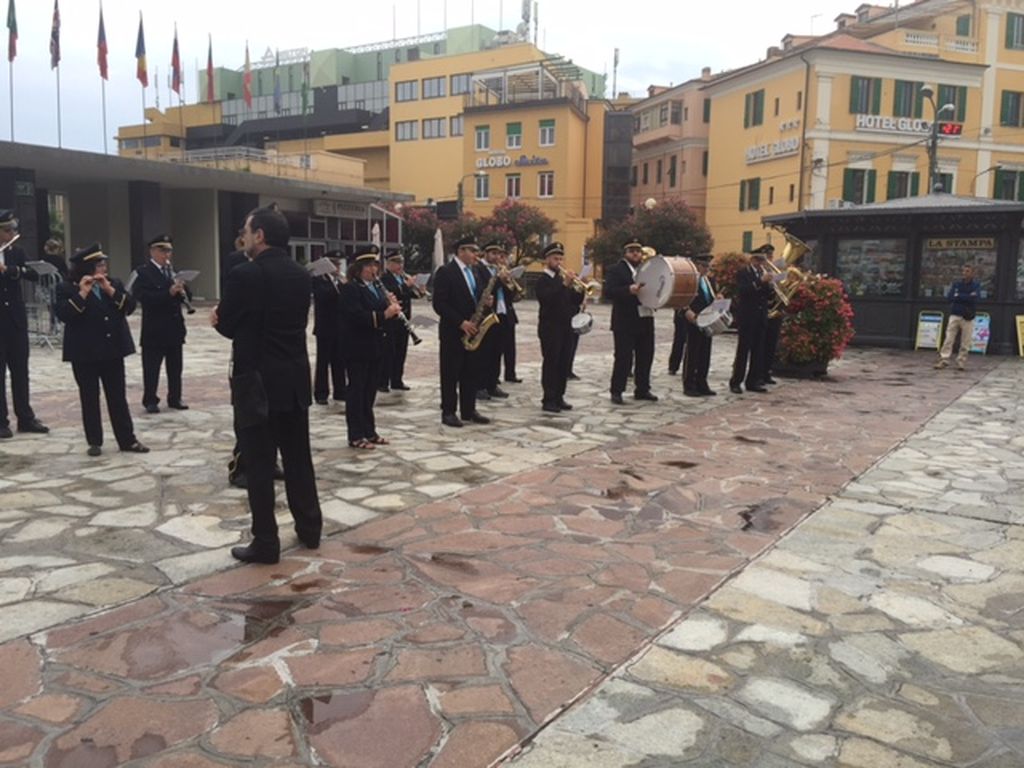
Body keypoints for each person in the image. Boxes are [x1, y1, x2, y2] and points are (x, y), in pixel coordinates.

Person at [213, 206, 322, 565]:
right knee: (298, 458)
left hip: (257, 382)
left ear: (259, 235)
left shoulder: (245, 274)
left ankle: (265, 541)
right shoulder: (301, 274)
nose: (243, 237)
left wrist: (217, 319)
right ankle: (310, 528)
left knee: (259, 464)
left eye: (246, 231)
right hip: (293, 379)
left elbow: (228, 324)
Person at [55, 243, 148, 456]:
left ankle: (127, 439)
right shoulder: (67, 287)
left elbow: (129, 307)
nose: (104, 268)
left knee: (117, 397)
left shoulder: (113, 284)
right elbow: (64, 314)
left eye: (104, 264)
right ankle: (94, 441)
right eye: (99, 265)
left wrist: (110, 290)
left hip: (112, 350)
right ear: (86, 268)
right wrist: (82, 293)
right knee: (89, 397)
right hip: (84, 352)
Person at [340, 247, 400, 449]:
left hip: (375, 345)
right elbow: (356, 316)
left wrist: (391, 307)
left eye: (375, 265)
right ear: (358, 268)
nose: (373, 269)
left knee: (369, 392)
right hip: (357, 346)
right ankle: (356, 435)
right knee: (357, 392)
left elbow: (383, 314)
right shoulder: (351, 288)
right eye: (368, 266)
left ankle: (370, 431)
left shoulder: (376, 287)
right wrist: (385, 314)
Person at [432, 235, 492, 428]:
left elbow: (476, 297)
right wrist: (460, 322)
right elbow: (439, 303)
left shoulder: (473, 272)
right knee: (450, 373)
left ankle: (469, 409)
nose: (476, 255)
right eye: (472, 251)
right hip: (453, 331)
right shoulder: (446, 272)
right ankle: (448, 411)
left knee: (471, 372)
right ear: (461, 251)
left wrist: (486, 303)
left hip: (473, 329)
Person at [0, 209, 48, 439]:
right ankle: (1, 421)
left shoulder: (16, 252)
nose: (11, 234)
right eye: (7, 230)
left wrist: (10, 270)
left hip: (16, 320)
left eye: (13, 230)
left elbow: (33, 274)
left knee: (20, 371)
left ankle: (25, 418)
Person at [132, 234, 191, 414]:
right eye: (162, 251)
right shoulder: (143, 272)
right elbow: (145, 298)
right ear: (152, 251)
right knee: (151, 368)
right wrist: (168, 293)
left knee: (175, 367)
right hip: (155, 328)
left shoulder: (173, 272)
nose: (166, 255)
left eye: (169, 251)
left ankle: (175, 397)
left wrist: (183, 289)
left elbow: (187, 296)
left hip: (174, 327)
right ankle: (150, 399)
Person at [604, 236, 657, 405]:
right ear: (625, 253)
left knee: (646, 356)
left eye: (638, 251)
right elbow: (609, 292)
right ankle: (617, 391)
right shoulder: (616, 270)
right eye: (632, 251)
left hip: (645, 318)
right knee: (624, 358)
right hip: (624, 321)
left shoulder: (646, 269)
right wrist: (628, 289)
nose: (636, 254)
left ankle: (642, 389)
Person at [535, 241, 583, 413]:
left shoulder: (562, 279)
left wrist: (580, 289)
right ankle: (548, 399)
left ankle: (559, 396)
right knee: (551, 362)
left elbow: (573, 301)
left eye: (561, 259)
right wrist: (564, 285)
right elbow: (547, 300)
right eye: (555, 259)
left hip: (566, 326)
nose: (559, 262)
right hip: (550, 327)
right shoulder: (542, 280)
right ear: (547, 260)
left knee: (564, 362)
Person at [729, 246, 774, 394]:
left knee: (758, 351)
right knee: (743, 351)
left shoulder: (763, 273)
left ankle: (753, 381)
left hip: (760, 317)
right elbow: (743, 291)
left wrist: (771, 286)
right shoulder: (744, 273)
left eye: (762, 261)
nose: (761, 263)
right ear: (752, 259)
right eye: (758, 260)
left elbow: (767, 296)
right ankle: (736, 381)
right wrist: (760, 282)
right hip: (747, 317)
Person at [478, 240, 519, 400]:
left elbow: (510, 295)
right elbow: (483, 289)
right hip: (487, 315)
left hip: (502, 315)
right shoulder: (479, 269)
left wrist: (509, 282)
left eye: (498, 254)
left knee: (497, 352)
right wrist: (499, 280)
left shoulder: (498, 269)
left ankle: (492, 384)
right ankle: (480, 385)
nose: (496, 257)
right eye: (493, 253)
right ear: (485, 253)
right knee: (484, 353)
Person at [378, 251, 418, 391]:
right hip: (391, 320)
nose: (400, 265)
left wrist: (420, 290)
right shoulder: (385, 278)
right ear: (389, 264)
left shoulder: (402, 277)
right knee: (389, 351)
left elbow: (410, 294)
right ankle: (383, 382)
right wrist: (406, 285)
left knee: (401, 351)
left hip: (404, 318)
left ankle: (397, 380)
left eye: (401, 262)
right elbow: (391, 292)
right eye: (396, 262)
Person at [312, 251, 347, 405]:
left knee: (339, 360)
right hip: (325, 327)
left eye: (338, 264)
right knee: (323, 362)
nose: (338, 268)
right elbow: (322, 296)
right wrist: (339, 286)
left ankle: (340, 391)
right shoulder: (319, 279)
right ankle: (321, 393)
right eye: (335, 264)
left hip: (340, 326)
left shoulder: (340, 280)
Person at [682, 253, 718, 397]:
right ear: (696, 265)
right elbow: (681, 298)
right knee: (692, 352)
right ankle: (689, 384)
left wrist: (718, 300)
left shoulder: (709, 280)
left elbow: (711, 298)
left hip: (707, 319)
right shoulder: (689, 280)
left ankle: (702, 382)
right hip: (694, 318)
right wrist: (686, 311)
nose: (706, 269)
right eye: (704, 266)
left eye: (708, 266)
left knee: (705, 352)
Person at [935, 264, 981, 371]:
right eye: (964, 271)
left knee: (965, 341)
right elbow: (950, 297)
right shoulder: (957, 284)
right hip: (955, 314)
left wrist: (959, 296)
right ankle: (944, 359)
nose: (965, 273)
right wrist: (966, 296)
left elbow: (974, 299)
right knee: (949, 338)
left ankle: (961, 361)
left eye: (967, 271)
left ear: (972, 273)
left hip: (967, 316)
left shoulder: (976, 285)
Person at [756, 243, 782, 385]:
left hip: (775, 312)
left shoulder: (775, 272)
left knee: (771, 344)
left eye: (771, 256)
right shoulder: (759, 273)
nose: (769, 259)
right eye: (767, 256)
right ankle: (759, 374)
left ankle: (767, 372)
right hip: (763, 312)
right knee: (761, 346)